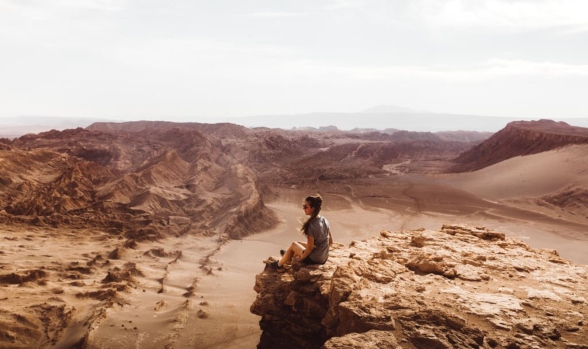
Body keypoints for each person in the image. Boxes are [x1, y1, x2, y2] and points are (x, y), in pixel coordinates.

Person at [269, 194, 333, 269]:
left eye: (305, 207)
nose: (303, 209)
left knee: (294, 244)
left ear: (313, 209)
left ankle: (279, 265)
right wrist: (322, 252)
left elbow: (309, 248)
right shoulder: (324, 220)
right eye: (303, 206)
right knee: (299, 243)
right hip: (324, 258)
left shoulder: (311, 225)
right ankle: (288, 255)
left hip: (315, 259)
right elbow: (331, 241)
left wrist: (300, 259)